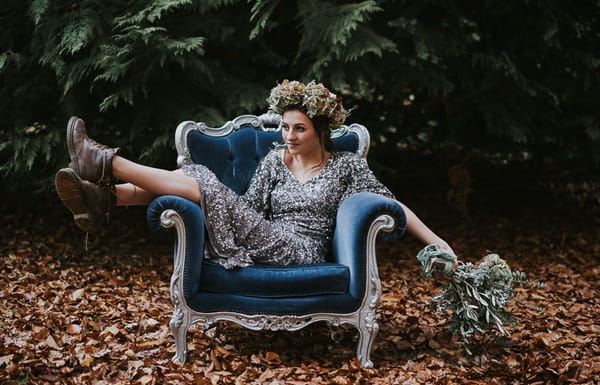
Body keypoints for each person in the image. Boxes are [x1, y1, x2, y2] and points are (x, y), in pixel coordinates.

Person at [55, 80, 455, 269]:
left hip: (299, 251)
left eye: (299, 128)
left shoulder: (346, 166)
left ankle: (107, 167)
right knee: (206, 186)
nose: (289, 136)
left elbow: (392, 204)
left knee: (205, 185)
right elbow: (246, 208)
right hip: (264, 236)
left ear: (320, 131)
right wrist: (221, 204)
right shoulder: (275, 161)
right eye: (285, 128)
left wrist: (438, 241)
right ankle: (110, 197)